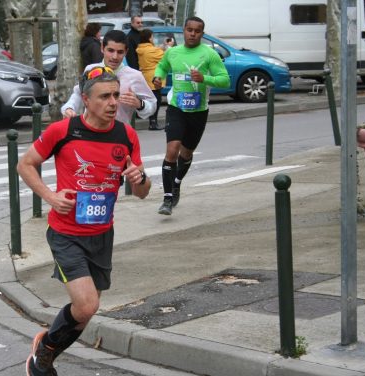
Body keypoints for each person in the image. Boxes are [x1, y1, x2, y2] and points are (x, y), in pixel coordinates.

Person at [18, 66, 151, 376]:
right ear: (87, 101)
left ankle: (45, 348)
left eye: (116, 95)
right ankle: (45, 357)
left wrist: (140, 177)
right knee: (87, 305)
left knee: (85, 311)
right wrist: (50, 197)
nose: (113, 103)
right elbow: (25, 165)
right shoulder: (63, 131)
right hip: (66, 233)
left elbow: (143, 191)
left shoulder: (126, 135)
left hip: (103, 234)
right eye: (105, 96)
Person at [152, 16, 230, 215]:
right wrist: (158, 78)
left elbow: (225, 81)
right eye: (189, 30)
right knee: (172, 149)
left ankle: (177, 183)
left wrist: (205, 78)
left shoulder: (209, 54)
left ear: (202, 34)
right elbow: (162, 67)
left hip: (198, 111)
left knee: (186, 153)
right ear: (184, 31)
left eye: (197, 31)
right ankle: (167, 199)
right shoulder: (173, 53)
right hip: (176, 108)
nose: (193, 34)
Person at [61, 30, 156, 126]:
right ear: (102, 48)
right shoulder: (91, 69)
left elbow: (152, 104)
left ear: (126, 52)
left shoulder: (134, 76)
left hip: (119, 135)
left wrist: (140, 104)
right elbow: (78, 93)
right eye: (110, 50)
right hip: (90, 133)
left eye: (120, 52)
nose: (115, 56)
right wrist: (69, 108)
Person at [136, 29, 165, 130]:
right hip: (153, 77)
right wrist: (166, 47)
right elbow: (164, 57)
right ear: (149, 38)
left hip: (145, 76)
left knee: (150, 99)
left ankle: (152, 122)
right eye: (152, 37)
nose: (153, 39)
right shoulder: (152, 50)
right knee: (156, 100)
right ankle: (153, 123)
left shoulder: (140, 49)